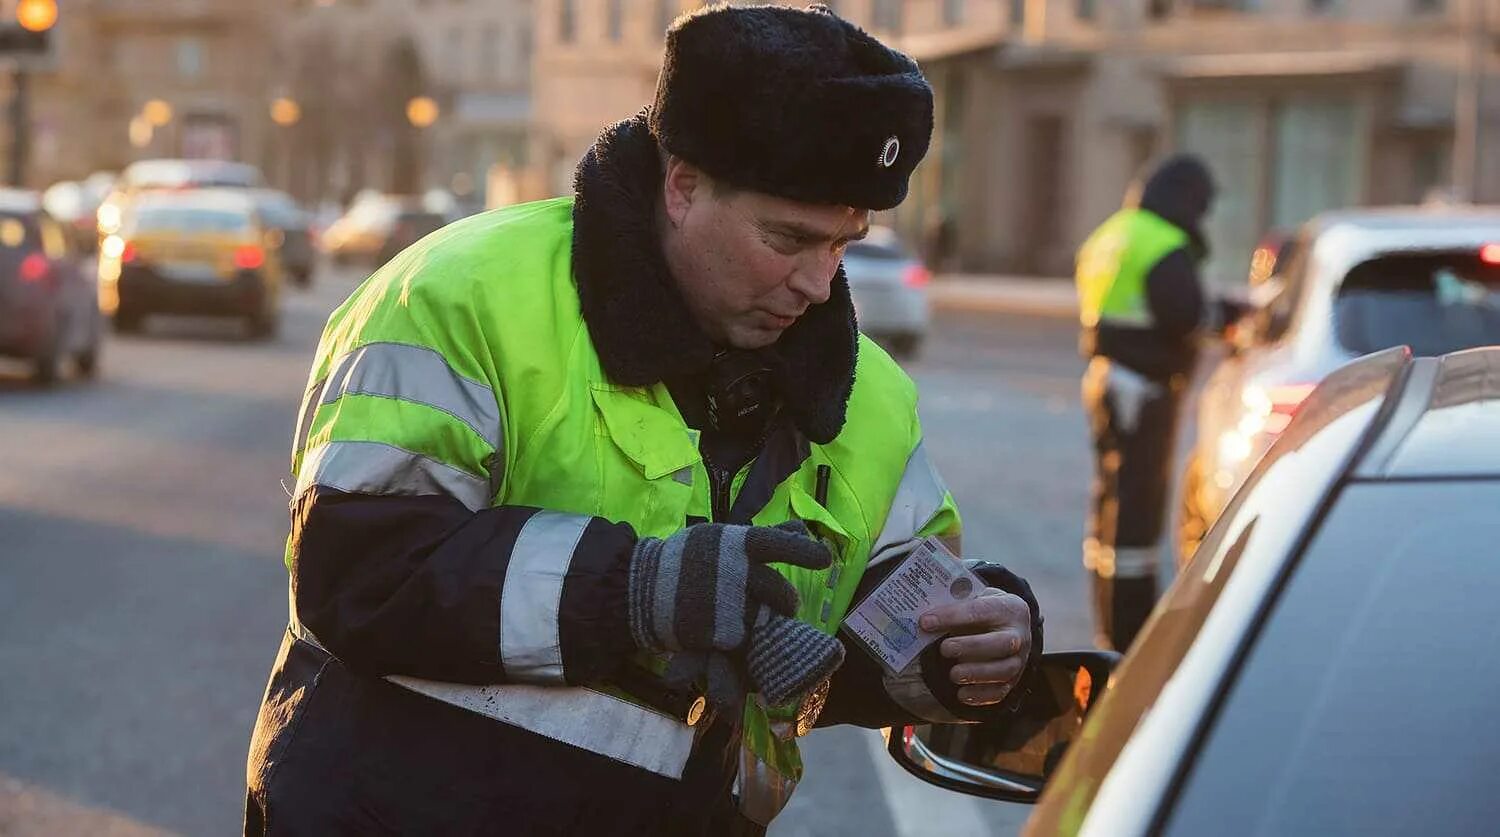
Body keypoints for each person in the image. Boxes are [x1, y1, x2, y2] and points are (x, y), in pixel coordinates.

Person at [244, 6, 1044, 836]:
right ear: (683, 184)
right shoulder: (460, 297)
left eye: (843, 244)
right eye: (789, 238)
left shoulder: (873, 399)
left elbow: (872, 621)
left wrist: (967, 644)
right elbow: (360, 566)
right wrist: (632, 590)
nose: (817, 282)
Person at [1074, 153, 1230, 652]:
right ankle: (1131, 632)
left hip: (1105, 380)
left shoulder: (1114, 232)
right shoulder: (1163, 244)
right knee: (1138, 516)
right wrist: (1227, 314)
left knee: (1110, 506)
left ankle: (1106, 617)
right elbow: (1185, 316)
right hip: (1143, 389)